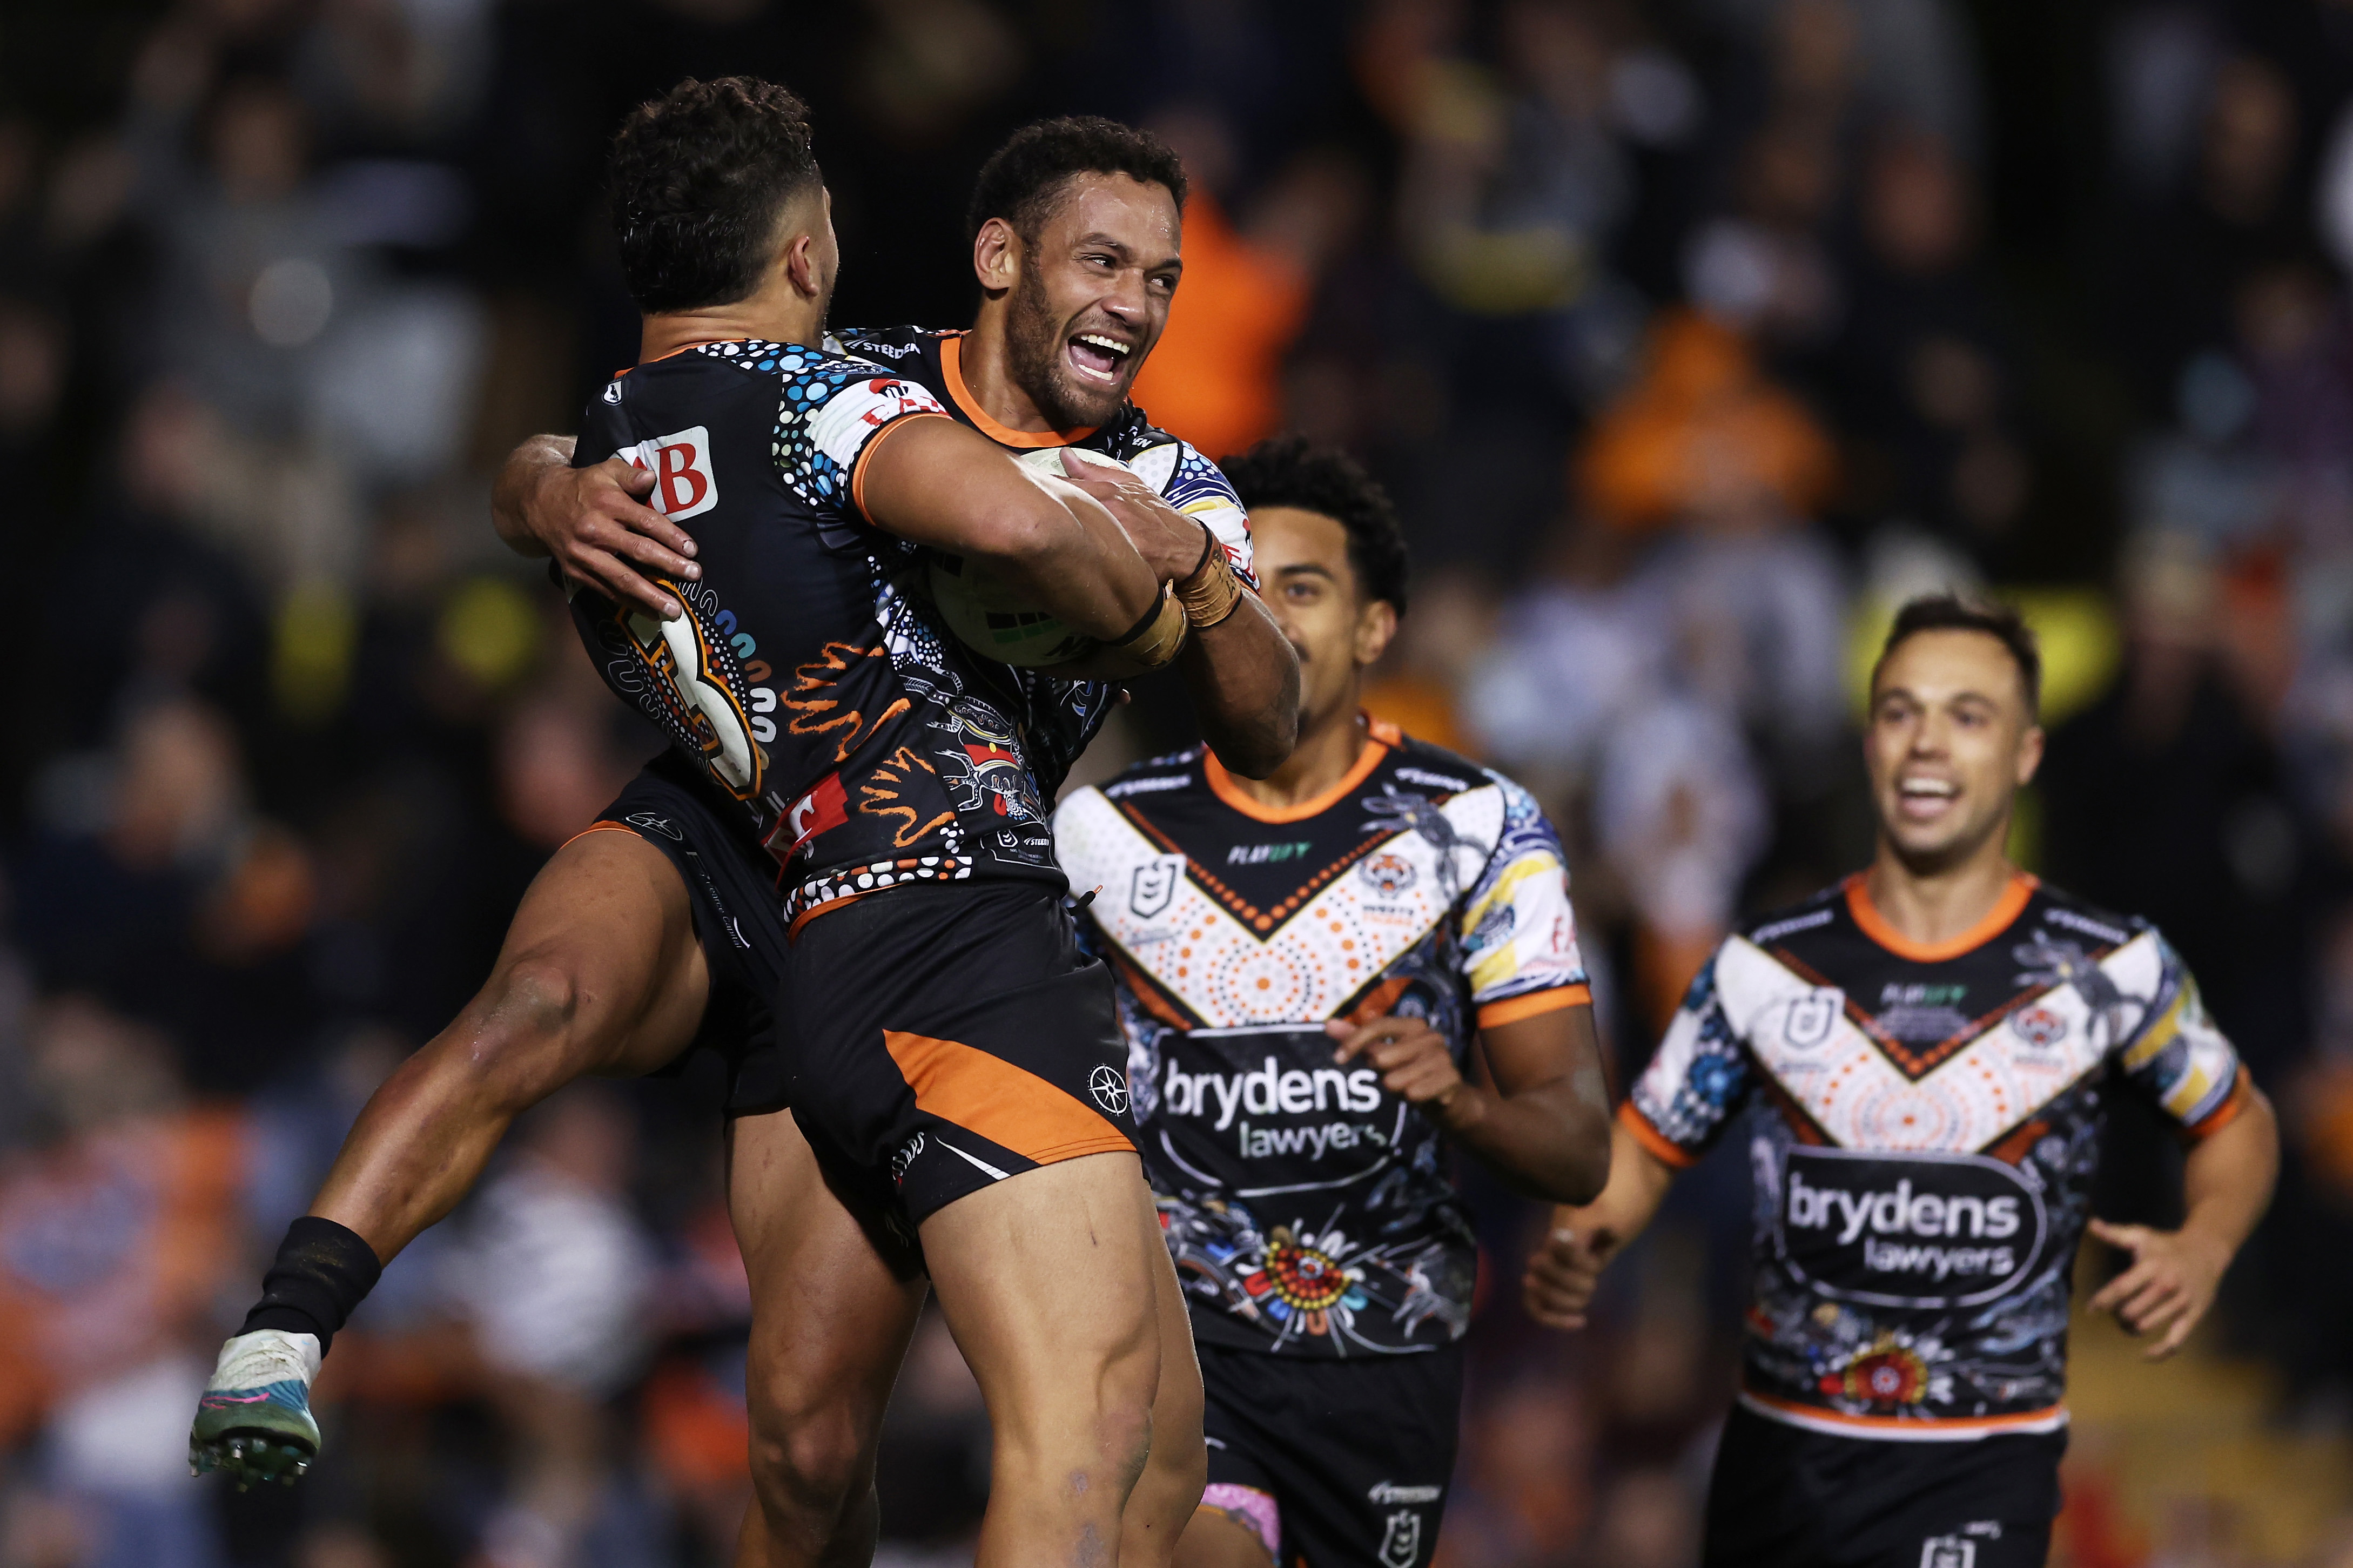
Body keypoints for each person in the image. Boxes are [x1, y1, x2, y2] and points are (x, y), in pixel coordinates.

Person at [193, 80, 1299, 1568]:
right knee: (540, 1003)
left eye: (1162, 277)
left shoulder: (1174, 484)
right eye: (1104, 262)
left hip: (897, 901)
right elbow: (613, 431)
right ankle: (283, 1329)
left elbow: (1268, 722)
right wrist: (545, 492)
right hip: (779, 843)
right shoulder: (842, 383)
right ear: (999, 260)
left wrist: (1207, 593)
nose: (1138, 303)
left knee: (812, 1439)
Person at [1523, 594, 2281, 1568]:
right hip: (1779, 1467)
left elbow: (2236, 1121)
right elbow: (1651, 1142)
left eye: (1968, 716)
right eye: (1901, 712)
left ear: (2026, 756)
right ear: (1871, 745)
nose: (1928, 742)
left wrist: (2206, 1244)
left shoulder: (2112, 972)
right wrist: (1589, 1230)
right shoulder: (1765, 969)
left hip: (1976, 1467)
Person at [1054, 436, 1614, 1568]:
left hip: (1389, 1364)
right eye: (1241, 586)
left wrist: (1461, 1103)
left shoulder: (1482, 833)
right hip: (1181, 1353)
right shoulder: (1101, 838)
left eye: (1301, 589)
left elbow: (1578, 1146)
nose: (1267, 617)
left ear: (1375, 628)